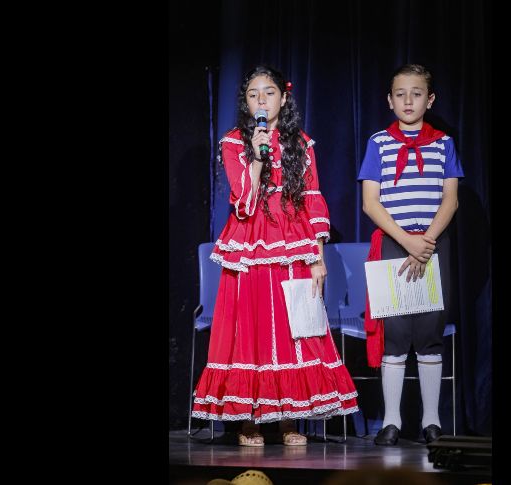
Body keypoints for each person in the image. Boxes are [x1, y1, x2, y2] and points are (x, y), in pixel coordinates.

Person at [191, 66, 359, 447]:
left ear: (283, 98)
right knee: (249, 326)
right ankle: (249, 419)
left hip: (293, 240)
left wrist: (317, 257)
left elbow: (312, 198)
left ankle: (288, 419)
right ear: (246, 102)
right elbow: (243, 202)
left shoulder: (301, 142)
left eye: (269, 92)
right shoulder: (234, 142)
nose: (262, 99)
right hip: (251, 240)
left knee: (293, 326)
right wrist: (256, 156)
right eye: (253, 94)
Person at [357, 64, 463, 446]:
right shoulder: (378, 143)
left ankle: (431, 422)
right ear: (389, 100)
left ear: (429, 99)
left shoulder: (444, 143)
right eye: (400, 94)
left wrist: (427, 241)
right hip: (393, 243)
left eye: (416, 93)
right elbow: (371, 202)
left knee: (429, 333)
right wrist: (406, 240)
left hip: (433, 246)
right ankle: (391, 422)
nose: (408, 100)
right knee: (396, 335)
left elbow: (450, 199)